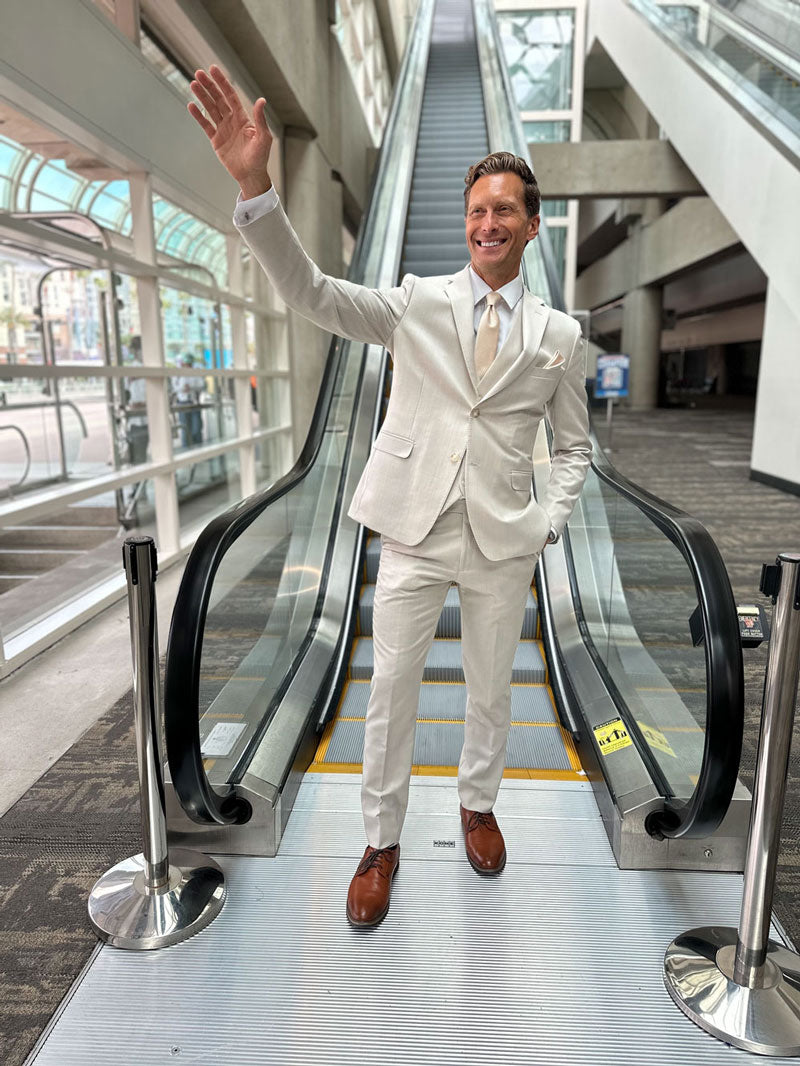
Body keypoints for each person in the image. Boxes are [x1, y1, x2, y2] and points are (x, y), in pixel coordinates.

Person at [188, 66, 592, 928]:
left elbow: (576, 447)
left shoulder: (560, 337)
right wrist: (256, 188)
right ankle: (380, 841)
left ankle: (477, 805)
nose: (488, 222)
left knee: (490, 692)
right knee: (389, 694)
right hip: (413, 528)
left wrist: (547, 525)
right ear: (468, 220)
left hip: (502, 540)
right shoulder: (416, 303)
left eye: (504, 210)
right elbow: (312, 293)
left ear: (531, 222)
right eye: (477, 209)